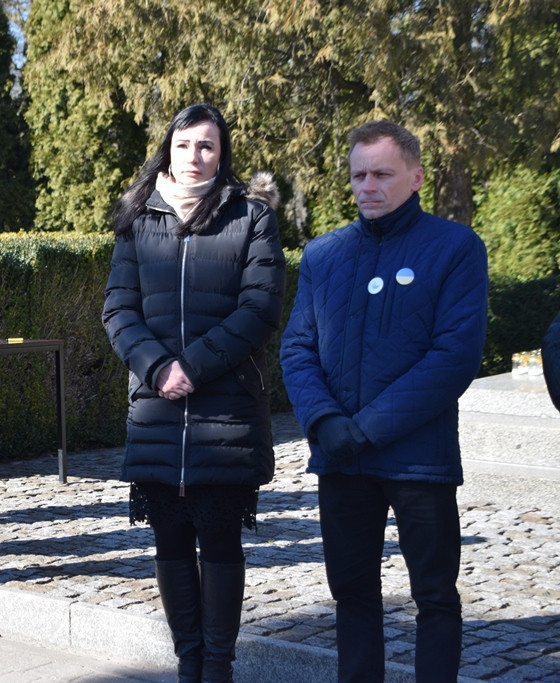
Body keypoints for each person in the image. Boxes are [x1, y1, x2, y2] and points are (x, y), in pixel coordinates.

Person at [280, 121, 488, 682]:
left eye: (382, 174)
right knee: (352, 595)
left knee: (436, 596)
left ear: (416, 177)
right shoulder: (324, 254)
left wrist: (365, 428)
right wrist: (324, 420)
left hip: (420, 460)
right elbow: (297, 347)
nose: (368, 185)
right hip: (343, 462)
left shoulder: (456, 248)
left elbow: (454, 357)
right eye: (358, 175)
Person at [102, 103, 285, 682]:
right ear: (169, 150)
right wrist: (157, 368)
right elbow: (118, 308)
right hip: (157, 410)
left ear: (221, 153)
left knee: (221, 541)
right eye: (184, 145)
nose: (194, 156)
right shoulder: (138, 218)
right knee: (172, 543)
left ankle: (218, 668)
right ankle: (188, 664)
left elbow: (260, 307)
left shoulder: (250, 216)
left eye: (206, 145)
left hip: (224, 410)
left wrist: (193, 368)